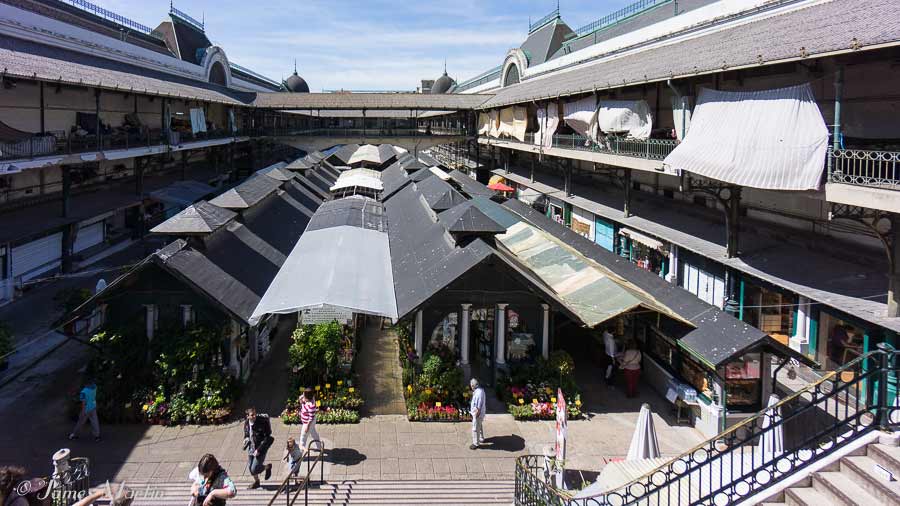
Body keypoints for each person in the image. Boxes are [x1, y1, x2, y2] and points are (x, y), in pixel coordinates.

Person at [242, 407, 273, 490]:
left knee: (254, 469)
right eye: (252, 415)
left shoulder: (261, 423)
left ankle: (267, 467)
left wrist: (259, 450)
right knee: (250, 468)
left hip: (260, 449)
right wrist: (246, 439)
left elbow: (267, 437)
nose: (254, 416)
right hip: (251, 448)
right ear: (247, 416)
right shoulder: (247, 423)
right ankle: (257, 482)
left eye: (255, 414)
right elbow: (246, 433)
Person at [469, 378, 486, 450]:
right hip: (480, 413)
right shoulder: (480, 390)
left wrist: (476, 414)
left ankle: (475, 443)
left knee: (475, 428)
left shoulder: (478, 393)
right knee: (479, 425)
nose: (471, 387)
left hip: (478, 413)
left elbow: (478, 406)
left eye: (471, 386)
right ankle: (481, 438)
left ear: (473, 386)